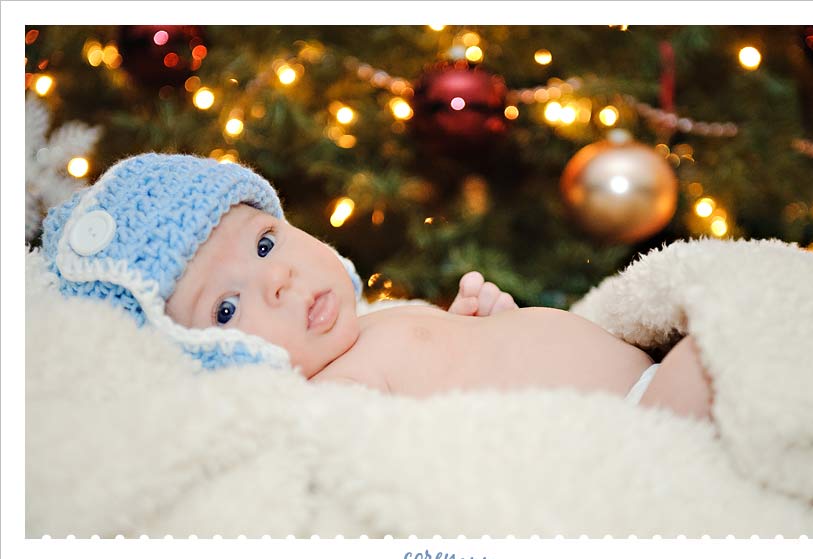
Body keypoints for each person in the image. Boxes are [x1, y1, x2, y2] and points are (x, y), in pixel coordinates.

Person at [42, 153, 714, 420]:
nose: (276, 281)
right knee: (723, 348)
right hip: (642, 419)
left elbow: (456, 375)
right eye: (226, 306)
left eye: (266, 243)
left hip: (641, 378)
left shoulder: (374, 326)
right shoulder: (335, 395)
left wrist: (483, 328)